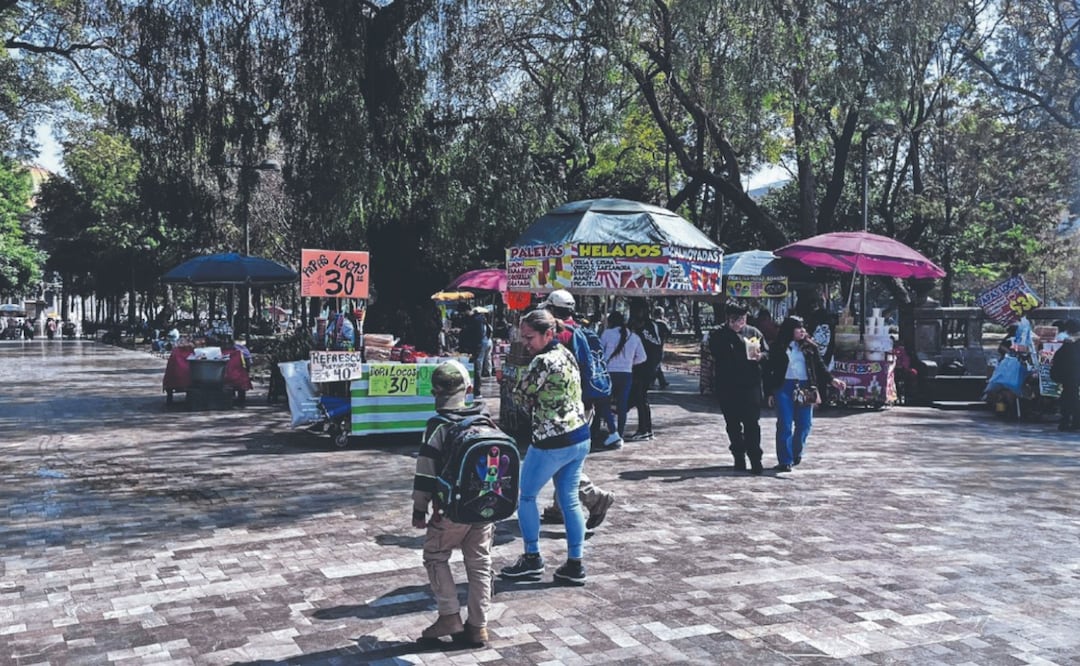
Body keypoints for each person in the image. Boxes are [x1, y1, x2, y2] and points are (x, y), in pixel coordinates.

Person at [500, 308, 591, 585]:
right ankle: (575, 564)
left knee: (526, 496)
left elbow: (520, 395)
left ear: (548, 333)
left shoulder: (542, 361)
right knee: (569, 499)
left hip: (551, 440)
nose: (525, 343)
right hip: (579, 435)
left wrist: (509, 380)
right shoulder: (566, 353)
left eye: (529, 337)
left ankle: (532, 558)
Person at [411, 360, 493, 647]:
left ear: (434, 392)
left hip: (450, 511)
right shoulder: (485, 418)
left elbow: (425, 472)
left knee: (435, 555)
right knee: (480, 562)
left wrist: (420, 509)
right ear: (468, 388)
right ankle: (478, 625)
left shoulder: (438, 425)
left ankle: (449, 616)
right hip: (484, 507)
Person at [535, 290, 616, 530]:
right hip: (584, 404)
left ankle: (594, 497)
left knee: (559, 458)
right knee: (566, 456)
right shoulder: (579, 329)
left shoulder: (559, 334)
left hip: (565, 407)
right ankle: (560, 507)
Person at [764, 315, 846, 472]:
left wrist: (832, 380)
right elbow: (768, 371)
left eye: (803, 328)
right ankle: (785, 459)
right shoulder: (777, 347)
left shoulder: (810, 347)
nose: (802, 331)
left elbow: (820, 367)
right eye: (798, 328)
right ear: (790, 330)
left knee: (804, 424)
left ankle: (796, 452)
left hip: (805, 387)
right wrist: (769, 392)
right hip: (784, 386)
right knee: (785, 424)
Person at [708, 303, 768, 474]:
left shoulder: (754, 332)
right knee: (733, 425)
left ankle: (756, 459)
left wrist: (760, 356)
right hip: (727, 386)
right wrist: (735, 335)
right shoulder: (718, 334)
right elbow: (715, 352)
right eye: (736, 319)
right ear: (728, 319)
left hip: (751, 385)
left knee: (752, 424)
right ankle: (738, 455)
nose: (740, 322)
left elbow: (767, 353)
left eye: (743, 318)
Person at [601, 311, 646, 446]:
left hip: (609, 373)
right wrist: (629, 362)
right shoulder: (634, 337)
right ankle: (619, 434)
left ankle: (611, 430)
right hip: (626, 374)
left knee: (603, 403)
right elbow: (643, 357)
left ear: (611, 322)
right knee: (622, 405)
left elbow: (600, 352)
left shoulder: (607, 334)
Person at [626, 301, 663, 441]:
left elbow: (655, 347)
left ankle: (645, 429)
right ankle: (645, 429)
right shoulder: (640, 326)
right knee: (639, 398)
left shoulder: (646, 327)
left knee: (641, 398)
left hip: (645, 368)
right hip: (640, 367)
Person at [1050, 319, 1080, 432]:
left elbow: (1057, 360)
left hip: (1069, 376)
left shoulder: (1068, 345)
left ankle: (1067, 420)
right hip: (1074, 376)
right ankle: (1075, 420)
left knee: (1068, 397)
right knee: (1073, 396)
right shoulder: (1072, 344)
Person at [651, 306, 672, 389]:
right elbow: (669, 332)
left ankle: (662, 381)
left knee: (656, 364)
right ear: (661, 314)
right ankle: (651, 382)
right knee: (655, 364)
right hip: (659, 346)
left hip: (650, 345)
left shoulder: (651, 322)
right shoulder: (662, 323)